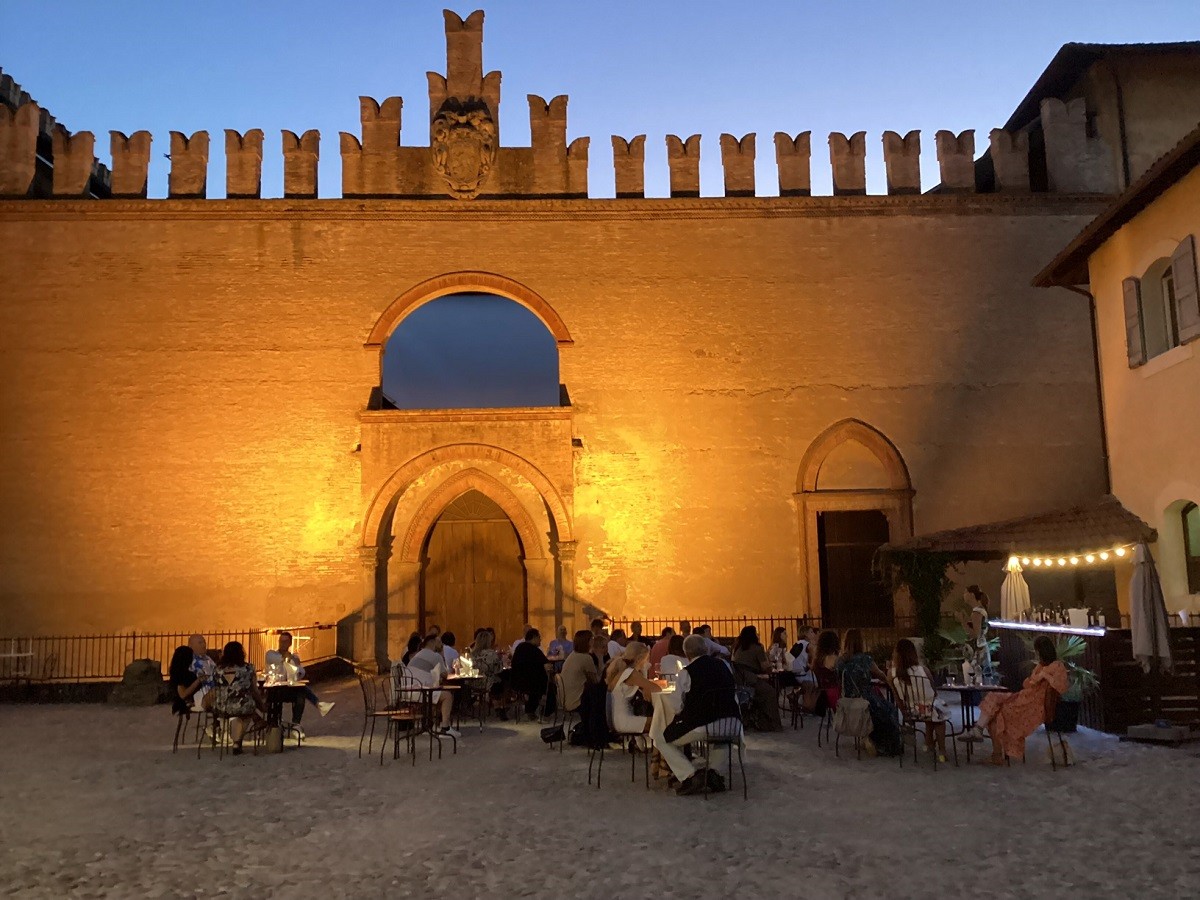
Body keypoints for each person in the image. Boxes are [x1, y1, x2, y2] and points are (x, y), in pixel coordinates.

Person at [653, 634, 741, 795]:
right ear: (707, 649)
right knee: (722, 740)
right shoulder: (724, 665)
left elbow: (677, 706)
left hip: (703, 723)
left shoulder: (687, 673)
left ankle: (690, 775)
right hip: (732, 722)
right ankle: (714, 774)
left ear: (686, 654)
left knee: (661, 739)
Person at [964, 635, 1068, 765]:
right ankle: (980, 732)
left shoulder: (1057, 667)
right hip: (1024, 699)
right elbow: (1029, 683)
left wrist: (1044, 675)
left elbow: (1061, 687)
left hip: (1032, 707)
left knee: (996, 714)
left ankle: (988, 744)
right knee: (994, 697)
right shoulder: (1040, 666)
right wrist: (1038, 676)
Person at [835, 629, 902, 757]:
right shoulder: (865, 659)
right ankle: (886, 745)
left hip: (846, 700)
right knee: (890, 709)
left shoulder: (840, 662)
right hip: (865, 700)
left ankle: (870, 738)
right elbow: (882, 676)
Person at [264, 631, 334, 735]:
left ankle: (296, 725)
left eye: (285, 641)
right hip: (275, 690)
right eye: (281, 641)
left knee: (300, 693)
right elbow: (280, 661)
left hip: (288, 689)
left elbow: (299, 674)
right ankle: (318, 704)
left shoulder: (294, 658)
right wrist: (289, 659)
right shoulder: (271, 654)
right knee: (302, 689)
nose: (283, 644)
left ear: (290, 644)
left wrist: (295, 664)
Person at [890, 638, 948, 762]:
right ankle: (942, 751)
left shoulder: (892, 673)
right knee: (936, 713)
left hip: (912, 710)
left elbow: (896, 697)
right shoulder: (923, 670)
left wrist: (904, 713)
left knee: (927, 710)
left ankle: (929, 744)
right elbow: (934, 692)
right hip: (929, 709)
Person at [395, 640, 460, 739]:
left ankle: (429, 726)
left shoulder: (418, 655)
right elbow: (445, 674)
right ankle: (445, 728)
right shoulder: (435, 656)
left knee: (436, 697)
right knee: (447, 696)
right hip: (419, 691)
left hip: (406, 692)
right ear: (433, 643)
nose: (442, 645)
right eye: (439, 642)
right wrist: (442, 654)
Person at [213, 641, 265, 755]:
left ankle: (237, 741)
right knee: (247, 711)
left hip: (222, 705)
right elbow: (254, 690)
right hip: (242, 704)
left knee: (238, 714)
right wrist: (261, 704)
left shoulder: (217, 669)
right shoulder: (248, 668)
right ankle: (238, 741)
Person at [731, 626, 783, 731]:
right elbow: (765, 667)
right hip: (751, 681)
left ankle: (755, 718)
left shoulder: (737, 648)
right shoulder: (757, 648)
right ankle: (771, 723)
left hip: (740, 681)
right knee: (770, 692)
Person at [606, 642, 662, 734]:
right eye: (647, 658)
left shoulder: (624, 670)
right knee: (661, 722)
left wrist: (645, 687)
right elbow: (657, 688)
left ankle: (653, 748)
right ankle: (660, 748)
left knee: (658, 722)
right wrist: (644, 672)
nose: (647, 662)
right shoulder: (631, 674)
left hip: (617, 718)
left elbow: (645, 684)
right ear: (640, 659)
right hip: (624, 721)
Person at [510, 628, 557, 718]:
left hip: (517, 682)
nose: (540, 639)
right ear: (534, 637)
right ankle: (546, 712)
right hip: (534, 683)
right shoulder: (535, 650)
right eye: (539, 637)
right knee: (551, 688)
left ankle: (530, 711)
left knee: (535, 687)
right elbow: (547, 664)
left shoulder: (519, 648)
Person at [560, 629, 600, 714]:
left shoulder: (572, 655)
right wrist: (600, 657)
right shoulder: (586, 658)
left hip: (566, 698)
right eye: (592, 639)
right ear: (588, 642)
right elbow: (596, 680)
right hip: (577, 701)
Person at [963, 585, 993, 677]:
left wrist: (961, 620)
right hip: (982, 647)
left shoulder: (977, 612)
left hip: (978, 651)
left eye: (965, 592)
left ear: (971, 595)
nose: (963, 595)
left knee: (978, 680)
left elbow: (975, 634)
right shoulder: (980, 610)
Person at [168, 645, 203, 716]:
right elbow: (183, 694)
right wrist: (198, 680)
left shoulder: (180, 673)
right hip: (184, 704)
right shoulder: (180, 675)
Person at [186, 634, 217, 710]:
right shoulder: (189, 660)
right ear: (190, 645)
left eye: (204, 642)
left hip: (212, 691)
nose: (203, 645)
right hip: (201, 694)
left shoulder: (207, 658)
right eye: (200, 643)